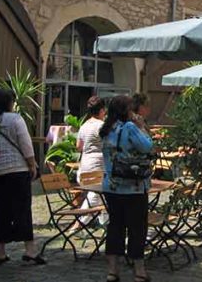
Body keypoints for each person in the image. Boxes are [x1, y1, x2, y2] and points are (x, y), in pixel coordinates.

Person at [0, 88, 44, 266]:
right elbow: (25, 143)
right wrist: (32, 164)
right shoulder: (15, 119)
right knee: (22, 209)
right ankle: (30, 250)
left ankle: (1, 253)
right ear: (9, 103)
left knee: (0, 211)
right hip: (17, 170)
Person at [101, 95, 154, 282]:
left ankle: (112, 271)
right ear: (126, 110)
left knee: (115, 226)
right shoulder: (130, 127)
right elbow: (148, 146)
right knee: (136, 228)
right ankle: (139, 271)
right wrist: (141, 127)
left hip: (110, 186)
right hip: (133, 186)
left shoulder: (107, 128)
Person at [76, 96, 107, 224]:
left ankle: (104, 221)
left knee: (102, 195)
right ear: (102, 110)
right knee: (97, 194)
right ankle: (80, 222)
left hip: (84, 167)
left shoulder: (84, 125)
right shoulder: (102, 126)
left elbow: (78, 147)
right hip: (98, 168)